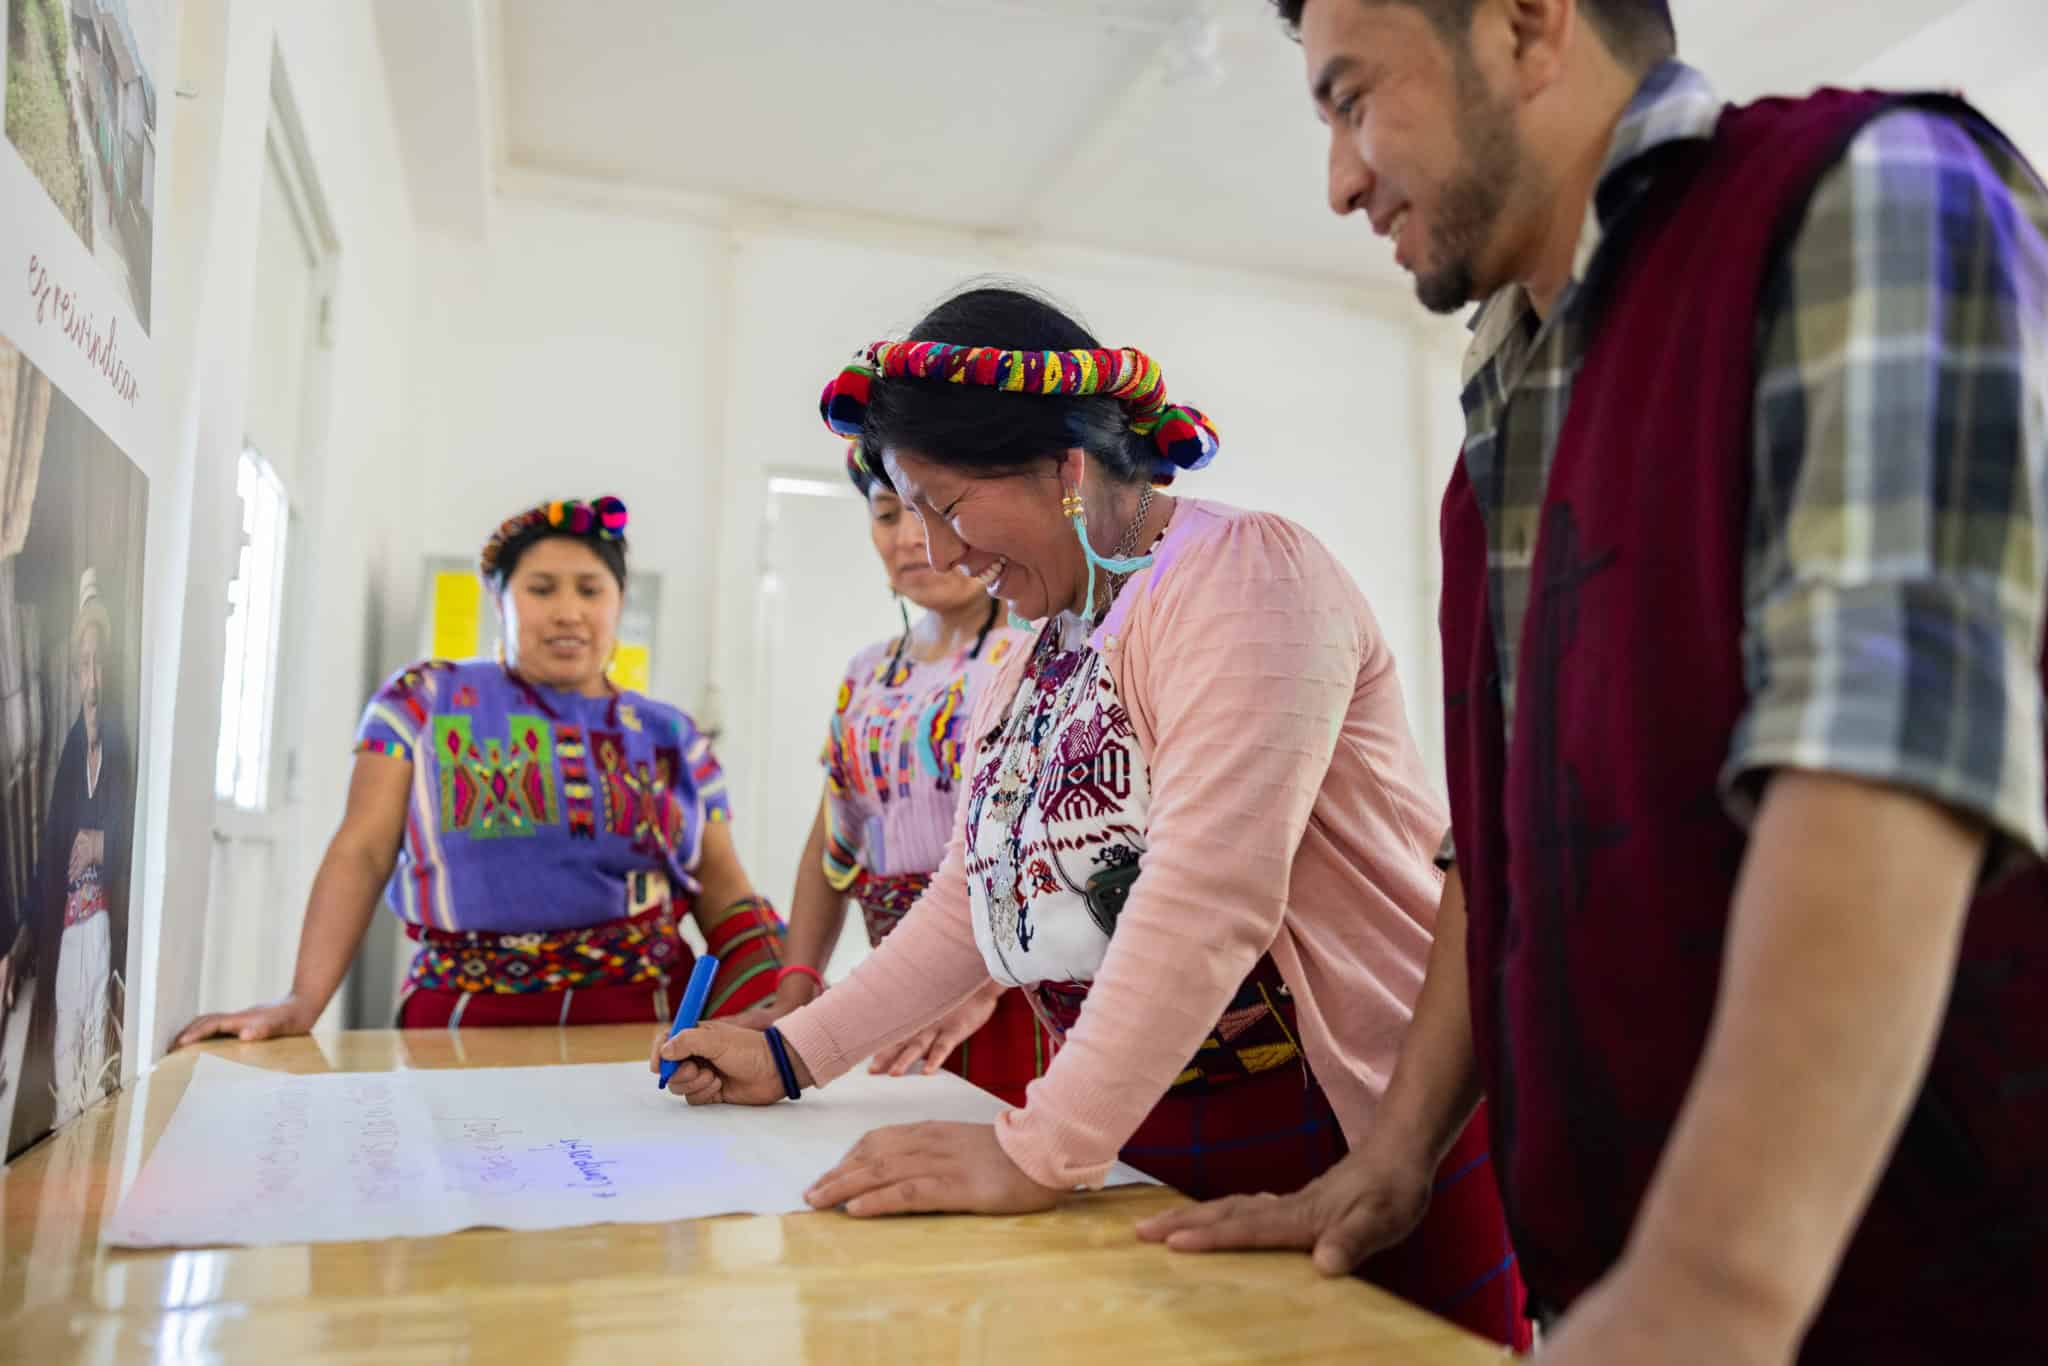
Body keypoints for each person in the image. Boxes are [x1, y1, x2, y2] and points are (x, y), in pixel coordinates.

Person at [1140, 3, 2048, 1362]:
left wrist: (1707, 1289)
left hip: (1908, 1294)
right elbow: (1497, 847)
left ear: (1524, 24)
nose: (1338, 179)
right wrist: (1393, 1156)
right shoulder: (1499, 416)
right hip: (1611, 1279)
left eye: (1352, 98)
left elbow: (1884, 760)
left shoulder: (1865, 198)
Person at [656, 285, 1530, 1348]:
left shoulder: (1247, 578)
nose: (937, 549)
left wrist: (1035, 1152)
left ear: (1065, 470)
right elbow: (972, 902)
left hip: (1337, 1126)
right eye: (909, 512)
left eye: (946, 504)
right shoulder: (1035, 651)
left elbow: (1207, 895)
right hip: (1135, 1125)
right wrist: (791, 1054)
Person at [178, 496, 784, 1041]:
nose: (568, 611)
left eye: (590, 590)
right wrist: (301, 1001)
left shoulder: (672, 736)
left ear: (618, 602)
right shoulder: (421, 702)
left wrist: (782, 1000)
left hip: (644, 1027)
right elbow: (362, 852)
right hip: (460, 1022)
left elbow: (724, 890)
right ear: (499, 600)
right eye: (541, 589)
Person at [762, 443, 1053, 1107]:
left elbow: (1062, 843)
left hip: (1018, 985)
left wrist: (983, 983)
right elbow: (833, 839)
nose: (908, 538)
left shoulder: (1039, 650)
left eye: (931, 512)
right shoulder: (868, 673)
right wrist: (796, 986)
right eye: (887, 514)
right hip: (898, 984)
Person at [5, 568, 131, 1150]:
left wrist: (103, 843)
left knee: (94, 1064)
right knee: (63, 1061)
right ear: (76, 673)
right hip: (68, 930)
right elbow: (50, 854)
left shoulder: (119, 747)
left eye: (99, 664)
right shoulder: (69, 755)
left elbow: (133, 827)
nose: (92, 678)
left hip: (101, 926)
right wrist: (20, 943)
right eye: (83, 665)